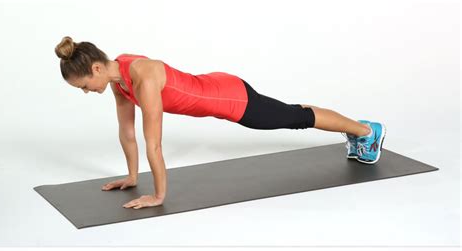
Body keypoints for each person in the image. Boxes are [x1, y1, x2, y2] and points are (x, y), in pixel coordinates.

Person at [54, 36, 386, 209]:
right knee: (292, 113)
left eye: (83, 86)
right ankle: (360, 131)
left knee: (294, 116)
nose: (86, 92)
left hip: (230, 99)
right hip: (212, 85)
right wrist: (130, 176)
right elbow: (127, 133)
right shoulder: (119, 79)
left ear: (95, 69)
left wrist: (158, 196)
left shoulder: (142, 75)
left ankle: (366, 131)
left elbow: (152, 142)